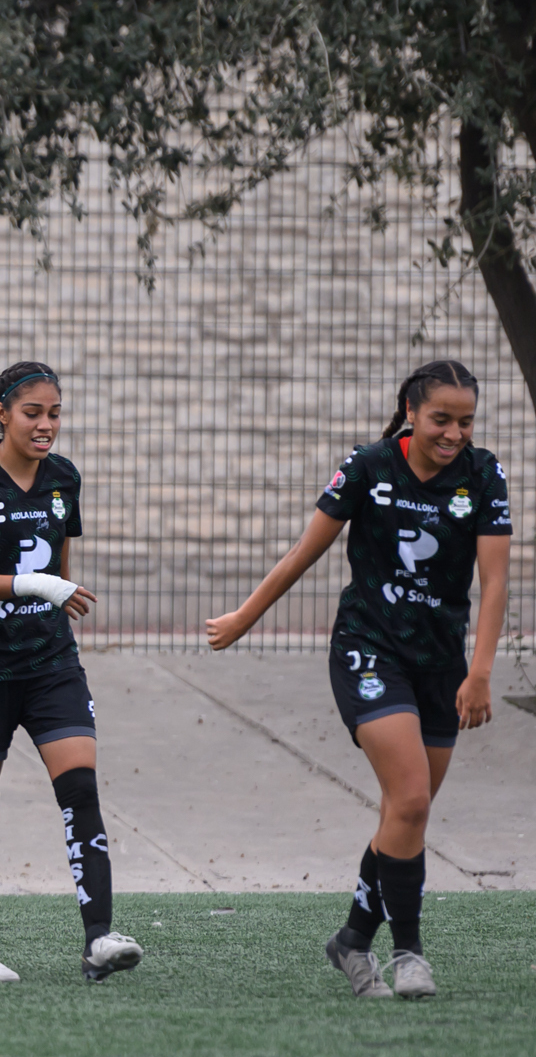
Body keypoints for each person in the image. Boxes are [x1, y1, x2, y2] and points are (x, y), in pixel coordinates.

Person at [206, 361, 509, 1000]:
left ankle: (350, 941)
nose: (454, 433)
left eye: (466, 421)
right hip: (367, 651)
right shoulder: (368, 466)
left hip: (442, 666)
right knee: (413, 800)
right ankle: (409, 954)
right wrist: (244, 617)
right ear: (409, 410)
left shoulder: (483, 475)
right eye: (441, 420)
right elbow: (303, 552)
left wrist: (480, 670)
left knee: (405, 814)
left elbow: (496, 581)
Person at [0, 362, 142, 984]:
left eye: (55, 413)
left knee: (80, 788)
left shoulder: (63, 478)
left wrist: (52, 593)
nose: (47, 424)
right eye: (34, 413)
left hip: (51, 662)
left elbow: (62, 568)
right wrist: (36, 584)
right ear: (1, 413)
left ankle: (99, 939)